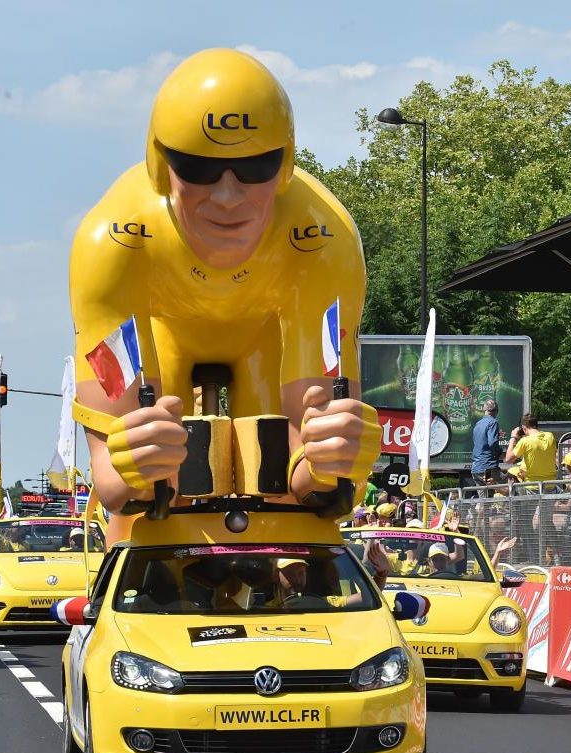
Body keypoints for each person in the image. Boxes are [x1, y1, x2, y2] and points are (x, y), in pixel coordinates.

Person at [68, 49, 380, 545]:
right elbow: (112, 479)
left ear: (286, 164)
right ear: (158, 162)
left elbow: (319, 478)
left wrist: (330, 463)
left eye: (256, 167)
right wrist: (133, 469)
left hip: (265, 338)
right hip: (161, 335)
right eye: (197, 168)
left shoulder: (325, 236)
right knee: (149, 500)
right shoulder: (111, 242)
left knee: (287, 498)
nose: (229, 196)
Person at [504, 414, 558, 483]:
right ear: (535, 425)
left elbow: (508, 459)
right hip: (550, 484)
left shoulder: (525, 441)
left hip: (531, 486)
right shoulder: (550, 436)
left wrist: (513, 438)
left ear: (523, 427)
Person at [471, 399, 504, 495]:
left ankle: (476, 509)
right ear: (496, 411)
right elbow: (492, 442)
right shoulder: (493, 422)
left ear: (484, 410)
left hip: (476, 468)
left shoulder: (478, 424)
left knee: (484, 502)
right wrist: (499, 452)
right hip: (488, 467)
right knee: (508, 487)